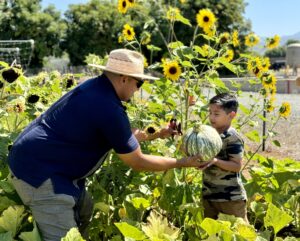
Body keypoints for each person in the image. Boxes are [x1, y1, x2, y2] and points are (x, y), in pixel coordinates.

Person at [8, 49, 202, 241]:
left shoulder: (94, 89)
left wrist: (159, 133)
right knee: (64, 237)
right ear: (124, 78)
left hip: (46, 162)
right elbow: (137, 161)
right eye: (139, 82)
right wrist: (183, 162)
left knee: (84, 210)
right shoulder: (108, 107)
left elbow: (122, 136)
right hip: (39, 172)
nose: (138, 89)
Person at [199, 93, 248, 222]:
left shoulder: (232, 137)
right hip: (209, 195)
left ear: (231, 115)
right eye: (210, 113)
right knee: (211, 233)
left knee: (239, 233)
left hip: (230, 198)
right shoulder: (209, 134)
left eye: (216, 114)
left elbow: (236, 166)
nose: (211, 117)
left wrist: (214, 161)